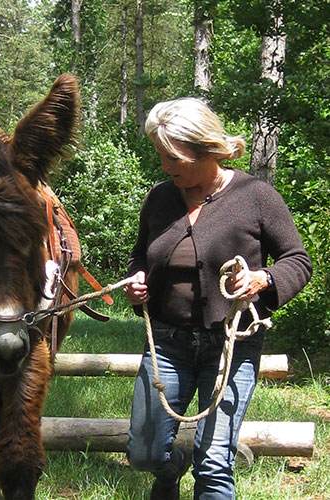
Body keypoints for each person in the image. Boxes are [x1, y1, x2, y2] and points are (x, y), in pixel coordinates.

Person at [123, 97, 312, 500]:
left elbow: (298, 260)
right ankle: (172, 466)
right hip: (166, 344)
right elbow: (141, 255)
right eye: (160, 156)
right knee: (143, 453)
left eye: (172, 157)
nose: (164, 167)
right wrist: (137, 279)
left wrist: (264, 278)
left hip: (232, 346)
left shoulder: (256, 195)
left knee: (214, 462)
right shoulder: (159, 198)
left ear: (205, 149)